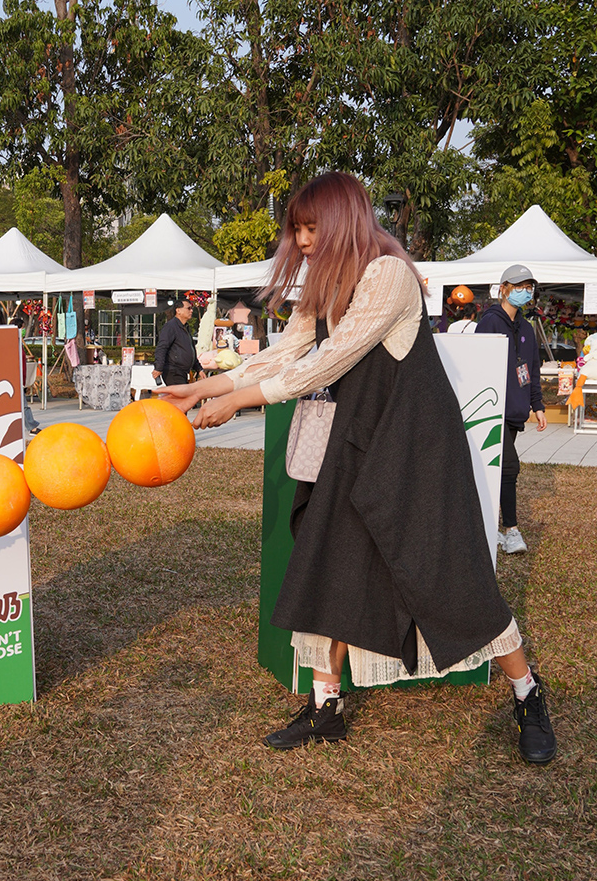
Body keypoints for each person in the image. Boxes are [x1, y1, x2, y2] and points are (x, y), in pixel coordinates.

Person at [162, 172, 556, 764]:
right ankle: (326, 706)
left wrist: (238, 402)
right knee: (331, 568)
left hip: (414, 449)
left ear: (345, 220)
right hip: (352, 447)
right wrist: (203, 388)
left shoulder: (389, 276)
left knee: (449, 574)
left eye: (311, 227)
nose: (301, 240)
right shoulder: (322, 283)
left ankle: (527, 693)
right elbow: (285, 352)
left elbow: (329, 361)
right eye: (296, 229)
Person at [476, 264, 547, 555]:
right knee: (509, 468)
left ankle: (489, 526)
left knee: (497, 472)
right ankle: (512, 530)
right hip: (492, 409)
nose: (525, 291)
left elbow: (531, 370)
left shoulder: (528, 330)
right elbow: (476, 363)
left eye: (529, 286)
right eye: (519, 286)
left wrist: (538, 405)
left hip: (516, 411)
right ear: (504, 287)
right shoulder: (490, 322)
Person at [153, 299, 201, 387]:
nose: (191, 311)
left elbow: (190, 350)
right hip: (173, 371)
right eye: (188, 308)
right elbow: (162, 347)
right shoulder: (170, 327)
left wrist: (199, 369)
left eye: (192, 308)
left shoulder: (185, 327)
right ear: (178, 310)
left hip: (182, 372)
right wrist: (158, 367)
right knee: (181, 398)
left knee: (180, 398)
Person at [11, 316, 41, 435]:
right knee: (24, 405)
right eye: (22, 328)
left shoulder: (18, 342)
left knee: (22, 405)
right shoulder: (13, 342)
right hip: (15, 378)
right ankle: (31, 426)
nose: (23, 330)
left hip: (19, 377)